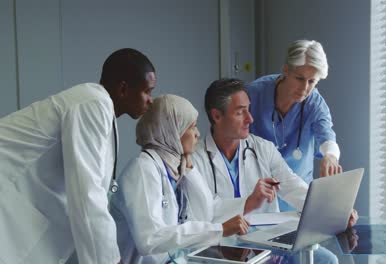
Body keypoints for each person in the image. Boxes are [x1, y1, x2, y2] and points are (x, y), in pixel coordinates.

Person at [0, 48, 155, 264]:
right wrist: (111, 261)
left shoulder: (102, 111)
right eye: (148, 91)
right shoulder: (92, 104)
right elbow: (87, 195)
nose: (151, 100)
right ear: (123, 89)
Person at [192, 78, 354, 263]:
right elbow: (202, 215)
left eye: (248, 109)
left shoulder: (262, 149)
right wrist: (249, 203)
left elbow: (294, 187)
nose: (250, 119)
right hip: (225, 249)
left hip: (269, 244)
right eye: (240, 112)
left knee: (327, 261)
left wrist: (336, 212)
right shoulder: (195, 160)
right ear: (216, 116)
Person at [109, 94, 250, 263]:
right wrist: (219, 230)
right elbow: (150, 239)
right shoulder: (142, 170)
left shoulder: (173, 167)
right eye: (192, 127)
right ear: (172, 132)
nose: (197, 134)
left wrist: (190, 169)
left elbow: (205, 212)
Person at [247, 40, 341, 182]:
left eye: (311, 82)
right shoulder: (254, 94)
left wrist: (330, 156)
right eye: (299, 78)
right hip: (258, 187)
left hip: (298, 192)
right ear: (285, 70)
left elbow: (326, 134)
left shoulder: (314, 102)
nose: (304, 88)